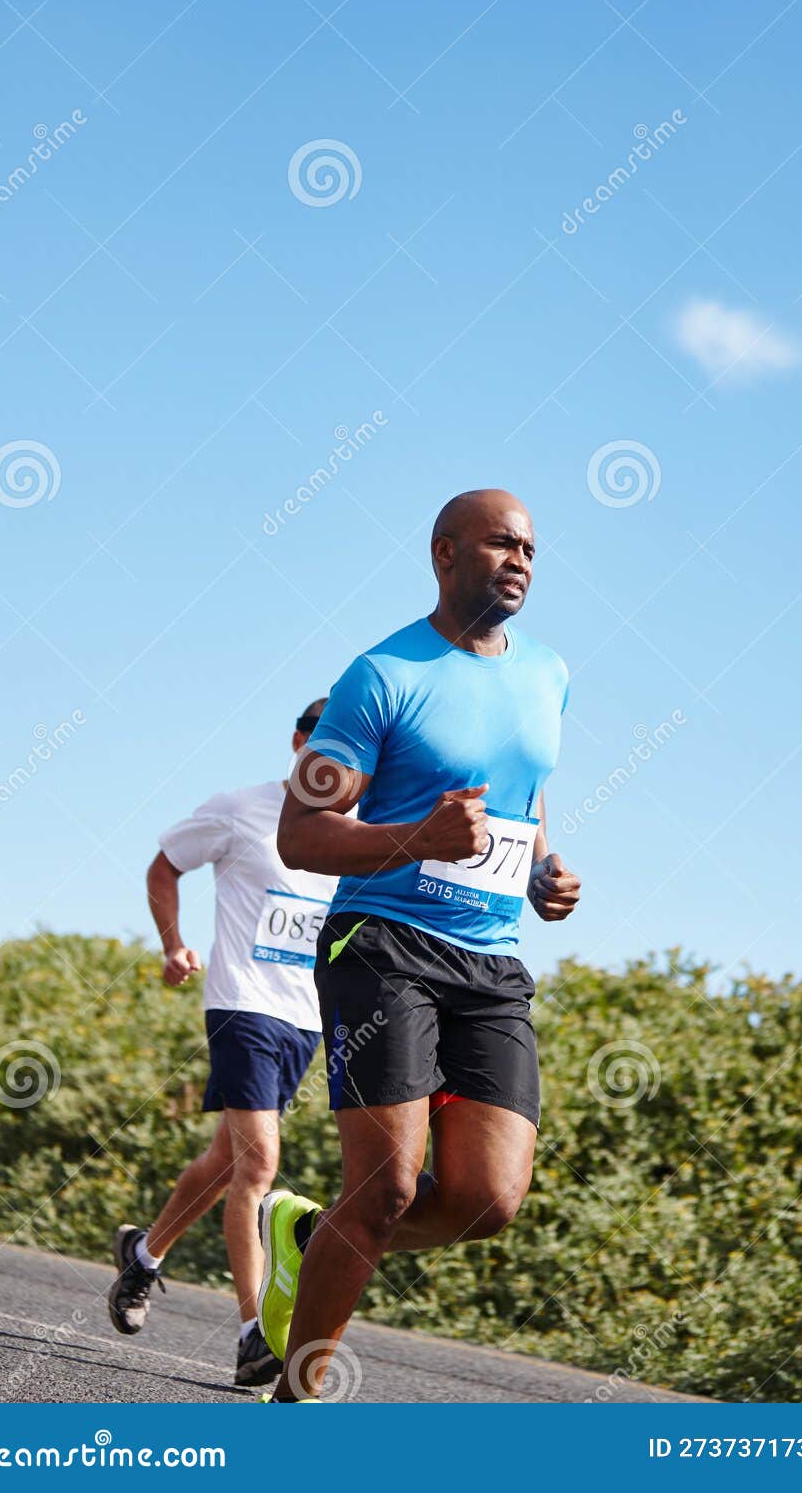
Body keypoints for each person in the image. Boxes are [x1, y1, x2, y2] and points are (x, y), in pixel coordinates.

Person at [257, 489, 581, 1402]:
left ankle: (310, 1239)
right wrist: (415, 840)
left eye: (529, 547)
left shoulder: (549, 671)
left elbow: (524, 793)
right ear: (444, 554)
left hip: (491, 958)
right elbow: (299, 836)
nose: (518, 560)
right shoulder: (381, 674)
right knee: (390, 1188)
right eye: (498, 544)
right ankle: (298, 1395)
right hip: (383, 941)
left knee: (488, 1201)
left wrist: (543, 870)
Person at [107, 703, 333, 1388]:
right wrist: (173, 945)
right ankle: (252, 1335)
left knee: (225, 1158)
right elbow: (162, 867)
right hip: (240, 1004)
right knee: (259, 1163)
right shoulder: (241, 809)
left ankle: (143, 1256)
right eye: (331, 747)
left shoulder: (355, 837)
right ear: (300, 743)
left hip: (305, 1021)